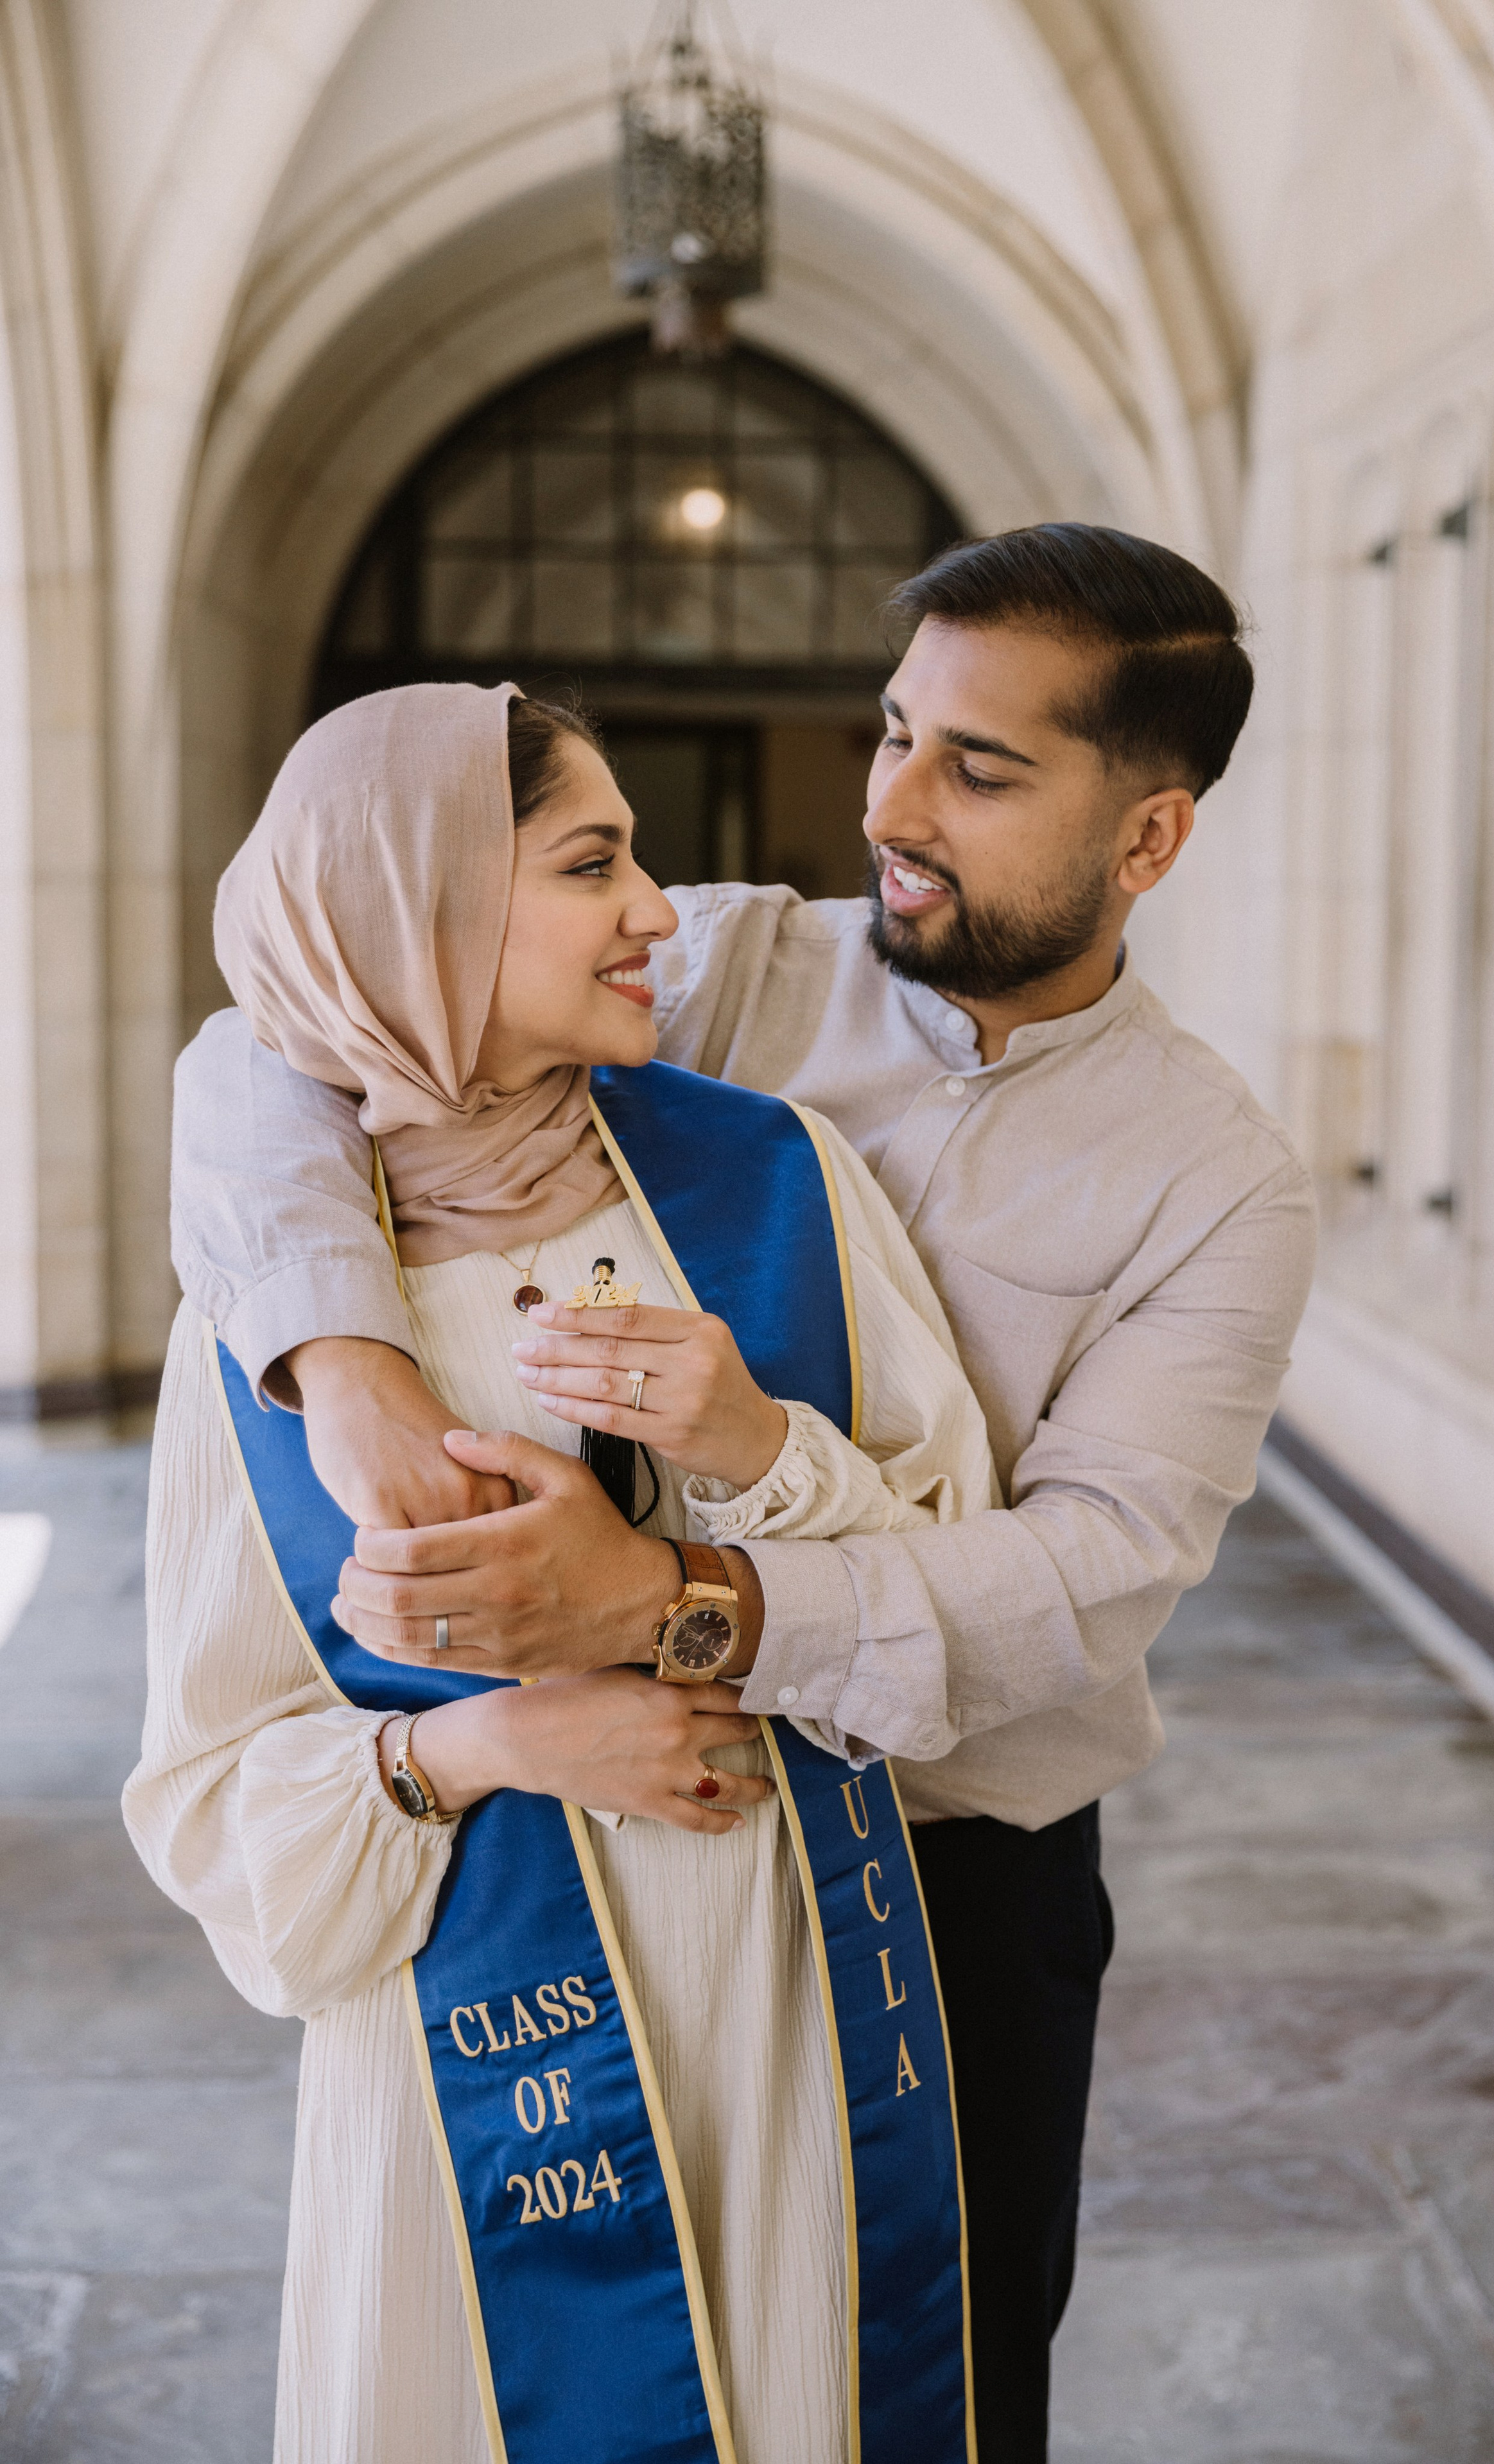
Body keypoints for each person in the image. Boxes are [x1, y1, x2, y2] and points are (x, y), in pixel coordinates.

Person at [169, 524, 1318, 2462]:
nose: (894, 803)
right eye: (894, 732)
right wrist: (341, 1362)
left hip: (954, 1875)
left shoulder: (1217, 1179)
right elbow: (278, 1041)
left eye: (983, 767)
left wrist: (668, 1601)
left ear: (1150, 840)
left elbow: (1090, 1585)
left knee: (918, 2394)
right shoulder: (715, 971)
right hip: (626, 1815)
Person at [126, 681, 1005, 2464]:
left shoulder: (777, 1183)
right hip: (461, 2085)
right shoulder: (273, 1328)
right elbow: (209, 1793)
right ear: (417, 903)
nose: (657, 912)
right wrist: (488, 1744)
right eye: (591, 861)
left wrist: (762, 1444)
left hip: (786, 2007)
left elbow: (956, 1601)